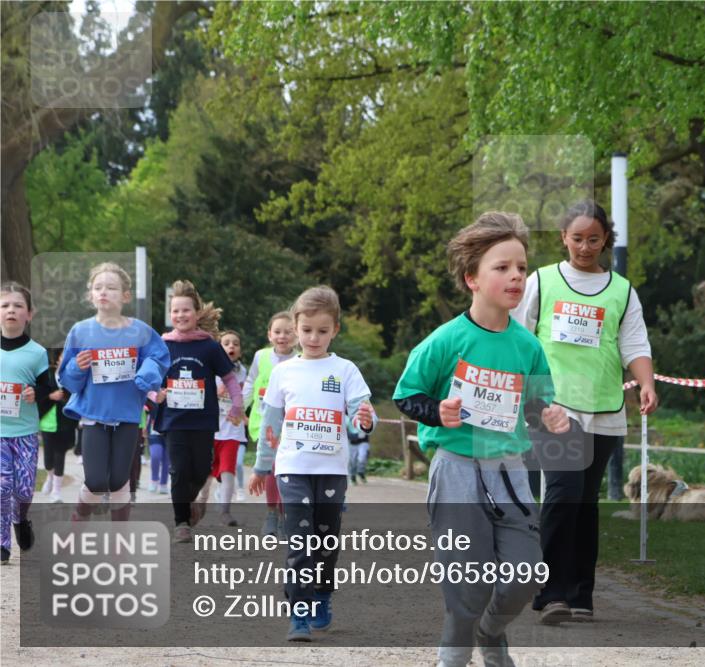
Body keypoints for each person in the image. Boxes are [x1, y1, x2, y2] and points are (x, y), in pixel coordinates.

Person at [394, 211, 570, 667]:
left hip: (510, 472)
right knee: (466, 583)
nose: (516, 276)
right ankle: (451, 659)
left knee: (526, 574)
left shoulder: (528, 346)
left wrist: (549, 415)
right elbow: (406, 395)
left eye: (521, 268)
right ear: (471, 278)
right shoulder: (445, 340)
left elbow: (534, 403)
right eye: (502, 267)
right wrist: (438, 412)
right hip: (456, 471)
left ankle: (491, 633)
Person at [511, 199, 657, 624]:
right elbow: (519, 337)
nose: (585, 247)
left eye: (594, 239)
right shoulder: (541, 280)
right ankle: (550, 591)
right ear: (563, 238)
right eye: (577, 238)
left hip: (605, 409)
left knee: (584, 502)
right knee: (562, 492)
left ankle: (580, 594)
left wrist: (645, 382)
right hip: (552, 405)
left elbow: (634, 345)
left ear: (606, 239)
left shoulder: (622, 291)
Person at [248, 285, 376, 642]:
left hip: (332, 471)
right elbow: (271, 425)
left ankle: (322, 594)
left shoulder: (346, 370)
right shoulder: (283, 373)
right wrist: (262, 467)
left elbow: (360, 414)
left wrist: (365, 419)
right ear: (295, 327)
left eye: (322, 330)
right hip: (292, 469)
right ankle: (299, 613)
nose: (313, 338)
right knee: (299, 542)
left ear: (335, 329)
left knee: (325, 541)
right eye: (306, 330)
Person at [57, 264, 170, 524]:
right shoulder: (80, 331)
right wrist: (77, 367)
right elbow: (67, 379)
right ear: (91, 295)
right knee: (96, 481)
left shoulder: (140, 331)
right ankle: (80, 515)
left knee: (120, 480)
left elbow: (159, 357)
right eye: (98, 288)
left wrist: (148, 373)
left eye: (111, 287)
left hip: (128, 414)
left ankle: (119, 537)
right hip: (93, 414)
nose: (104, 292)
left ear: (125, 296)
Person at [153, 280, 244, 543]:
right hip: (173, 419)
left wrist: (237, 404)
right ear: (170, 314)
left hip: (203, 420)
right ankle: (181, 522)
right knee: (179, 469)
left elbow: (229, 378)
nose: (180, 316)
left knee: (202, 468)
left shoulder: (209, 346)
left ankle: (191, 500)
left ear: (197, 313)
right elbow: (149, 378)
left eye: (186, 310)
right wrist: (153, 394)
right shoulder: (162, 345)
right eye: (175, 311)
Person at [1, 282, 56, 563]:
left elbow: (49, 390)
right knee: (1, 487)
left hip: (24, 431)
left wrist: (38, 394)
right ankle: (2, 543)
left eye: (18, 305)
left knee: (23, 488)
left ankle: (20, 519)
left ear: (29, 314)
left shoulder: (36, 353)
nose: (11, 310)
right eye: (5, 305)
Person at [244, 311, 297, 536]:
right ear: (269, 335)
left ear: (296, 335)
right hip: (264, 423)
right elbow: (250, 382)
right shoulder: (261, 356)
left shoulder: (301, 359)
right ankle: (271, 514)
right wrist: (239, 407)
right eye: (277, 332)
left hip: (291, 426)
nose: (282, 336)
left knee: (284, 472)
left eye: (288, 332)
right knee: (270, 469)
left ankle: (285, 517)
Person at [204, 329, 247, 526]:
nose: (231, 346)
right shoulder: (209, 370)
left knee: (228, 470)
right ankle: (200, 504)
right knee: (206, 472)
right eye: (227, 343)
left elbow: (247, 396)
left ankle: (225, 511)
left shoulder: (243, 372)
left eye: (236, 343)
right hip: (211, 429)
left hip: (232, 430)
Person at [40, 350, 78, 504]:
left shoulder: (73, 376)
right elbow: (38, 393)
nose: (65, 359)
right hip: (48, 422)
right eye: (63, 356)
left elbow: (78, 395)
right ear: (57, 360)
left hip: (66, 422)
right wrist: (50, 396)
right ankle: (50, 477)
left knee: (59, 454)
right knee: (48, 460)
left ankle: (56, 491)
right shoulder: (47, 375)